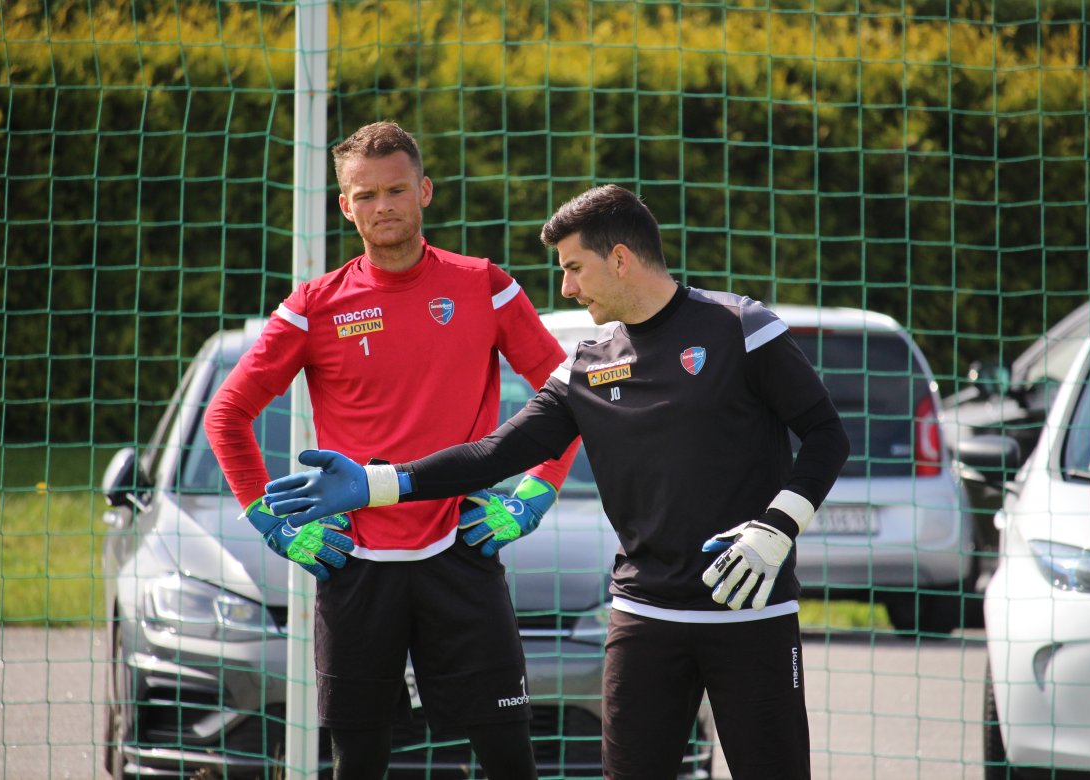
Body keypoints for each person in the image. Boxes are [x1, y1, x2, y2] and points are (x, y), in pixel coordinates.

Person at [262, 183, 851, 780]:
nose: (566, 287)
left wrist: (776, 529)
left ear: (619, 259)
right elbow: (494, 454)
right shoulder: (588, 367)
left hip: (749, 610)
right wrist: (377, 484)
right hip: (643, 618)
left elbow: (827, 435)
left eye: (574, 268)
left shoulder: (742, 327)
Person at [202, 121, 580, 780]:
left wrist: (534, 495)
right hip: (354, 562)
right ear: (345, 206)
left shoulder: (485, 285)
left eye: (397, 189)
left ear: (424, 191)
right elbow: (226, 414)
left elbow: (570, 395)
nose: (384, 206)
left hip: (462, 548)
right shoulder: (313, 306)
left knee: (508, 756)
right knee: (359, 761)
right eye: (366, 195)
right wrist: (269, 520)